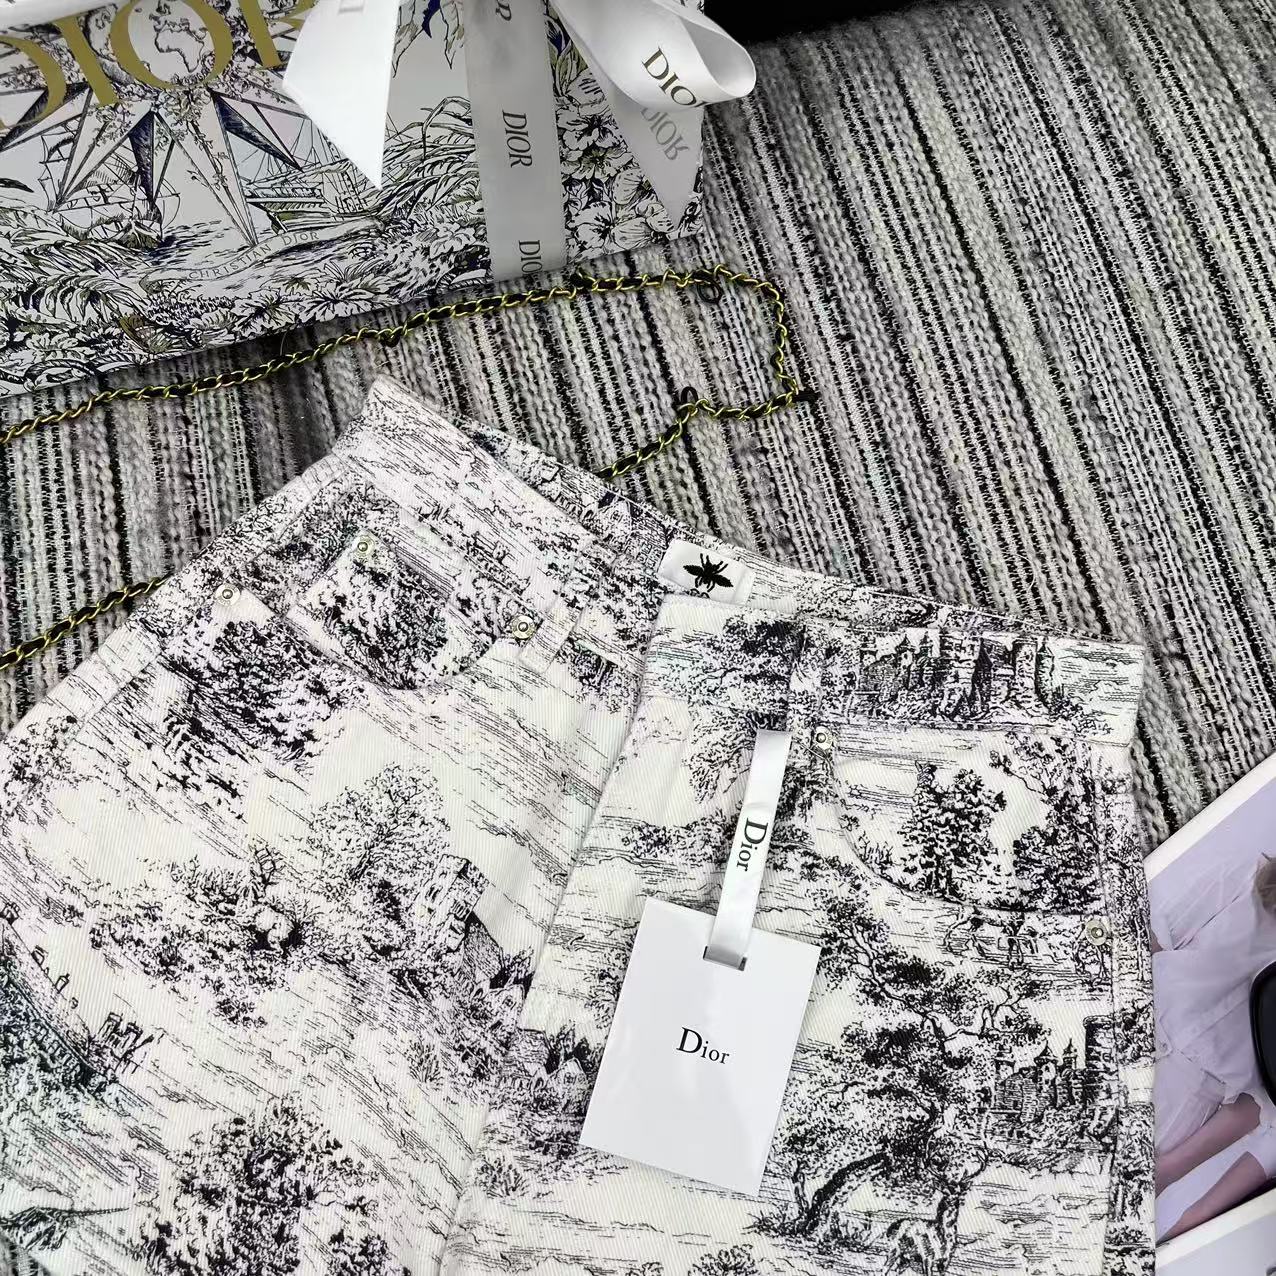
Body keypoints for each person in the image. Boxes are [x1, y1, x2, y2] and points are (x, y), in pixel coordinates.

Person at [1152, 853, 1276, 1237]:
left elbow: (1264, 1111)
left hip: (1182, 1102)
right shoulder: (1246, 875)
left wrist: (1170, 1180)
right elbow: (1150, 938)